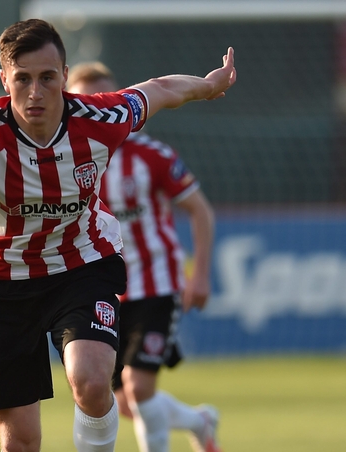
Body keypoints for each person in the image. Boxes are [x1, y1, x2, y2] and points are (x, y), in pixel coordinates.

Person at [0, 18, 235, 452]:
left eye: (47, 78)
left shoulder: (100, 118)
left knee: (91, 381)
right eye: (23, 79)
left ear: (64, 76)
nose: (35, 92)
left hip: (81, 264)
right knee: (20, 440)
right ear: (4, 79)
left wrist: (207, 85)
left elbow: (160, 89)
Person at [67, 62, 220, 452]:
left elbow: (200, 210)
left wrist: (200, 274)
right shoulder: (63, 161)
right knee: (122, 401)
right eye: (87, 101)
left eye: (105, 100)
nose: (98, 111)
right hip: (102, 290)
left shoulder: (151, 154)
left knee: (139, 388)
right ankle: (199, 421)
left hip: (156, 282)